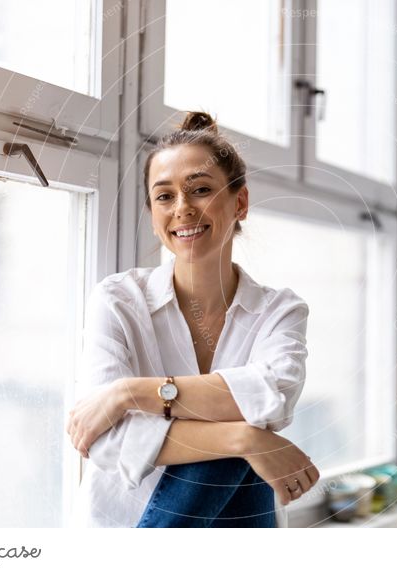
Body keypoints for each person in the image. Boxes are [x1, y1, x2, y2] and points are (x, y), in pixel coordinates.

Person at [65, 111, 319, 528]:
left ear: (240, 203)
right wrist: (246, 439)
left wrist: (130, 393)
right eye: (164, 197)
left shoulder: (280, 311)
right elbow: (106, 439)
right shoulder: (118, 300)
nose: (182, 208)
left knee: (239, 433)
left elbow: (272, 397)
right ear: (152, 213)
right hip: (123, 530)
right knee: (237, 434)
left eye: (200, 190)